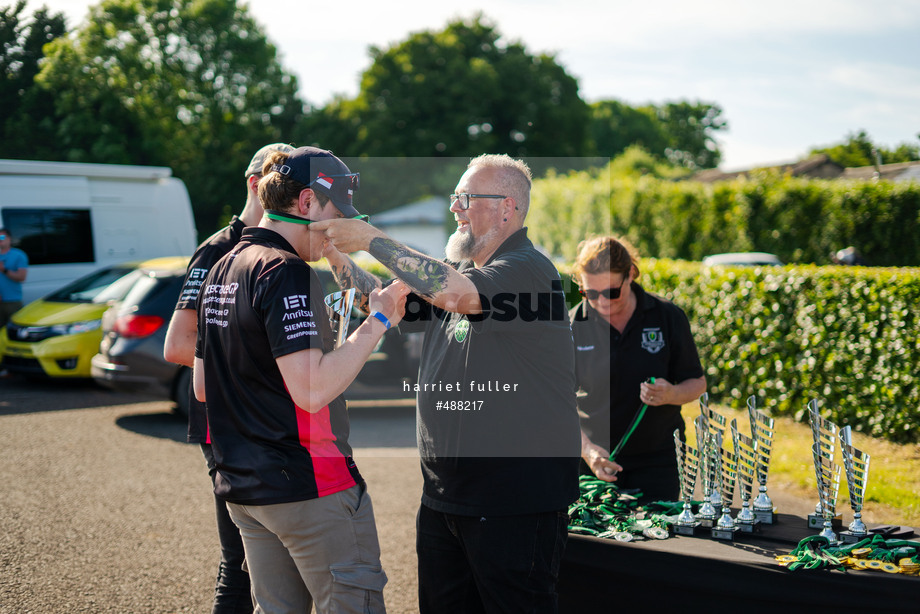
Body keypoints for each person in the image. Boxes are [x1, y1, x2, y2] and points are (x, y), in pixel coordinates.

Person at [313, 154, 581, 614]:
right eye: (455, 197)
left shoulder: (528, 270)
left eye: (466, 198)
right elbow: (379, 302)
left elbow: (460, 295)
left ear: (506, 208)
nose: (455, 208)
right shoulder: (460, 276)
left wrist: (371, 238)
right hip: (445, 496)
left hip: (512, 501)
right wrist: (337, 252)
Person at [193, 146, 408, 614]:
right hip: (309, 486)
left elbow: (202, 387)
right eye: (336, 214)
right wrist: (379, 322)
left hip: (246, 490)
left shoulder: (223, 266)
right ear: (307, 203)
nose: (339, 230)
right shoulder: (287, 271)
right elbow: (311, 390)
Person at [164, 142, 293, 613]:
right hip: (228, 424)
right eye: (287, 180)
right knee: (239, 563)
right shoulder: (218, 249)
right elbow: (177, 345)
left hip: (272, 423)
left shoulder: (284, 250)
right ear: (257, 184)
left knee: (278, 562)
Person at [572, 236, 706, 502]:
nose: (601, 302)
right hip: (592, 465)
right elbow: (555, 404)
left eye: (611, 292)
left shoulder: (667, 316)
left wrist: (671, 394)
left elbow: (697, 383)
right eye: (590, 293)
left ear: (631, 274)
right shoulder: (573, 325)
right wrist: (587, 451)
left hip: (657, 463)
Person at [0, 228, 29, 328]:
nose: (0, 239)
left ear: (9, 239)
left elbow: (22, 277)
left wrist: (4, 270)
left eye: (2, 237)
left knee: (14, 330)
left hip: (13, 302)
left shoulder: (19, 255)